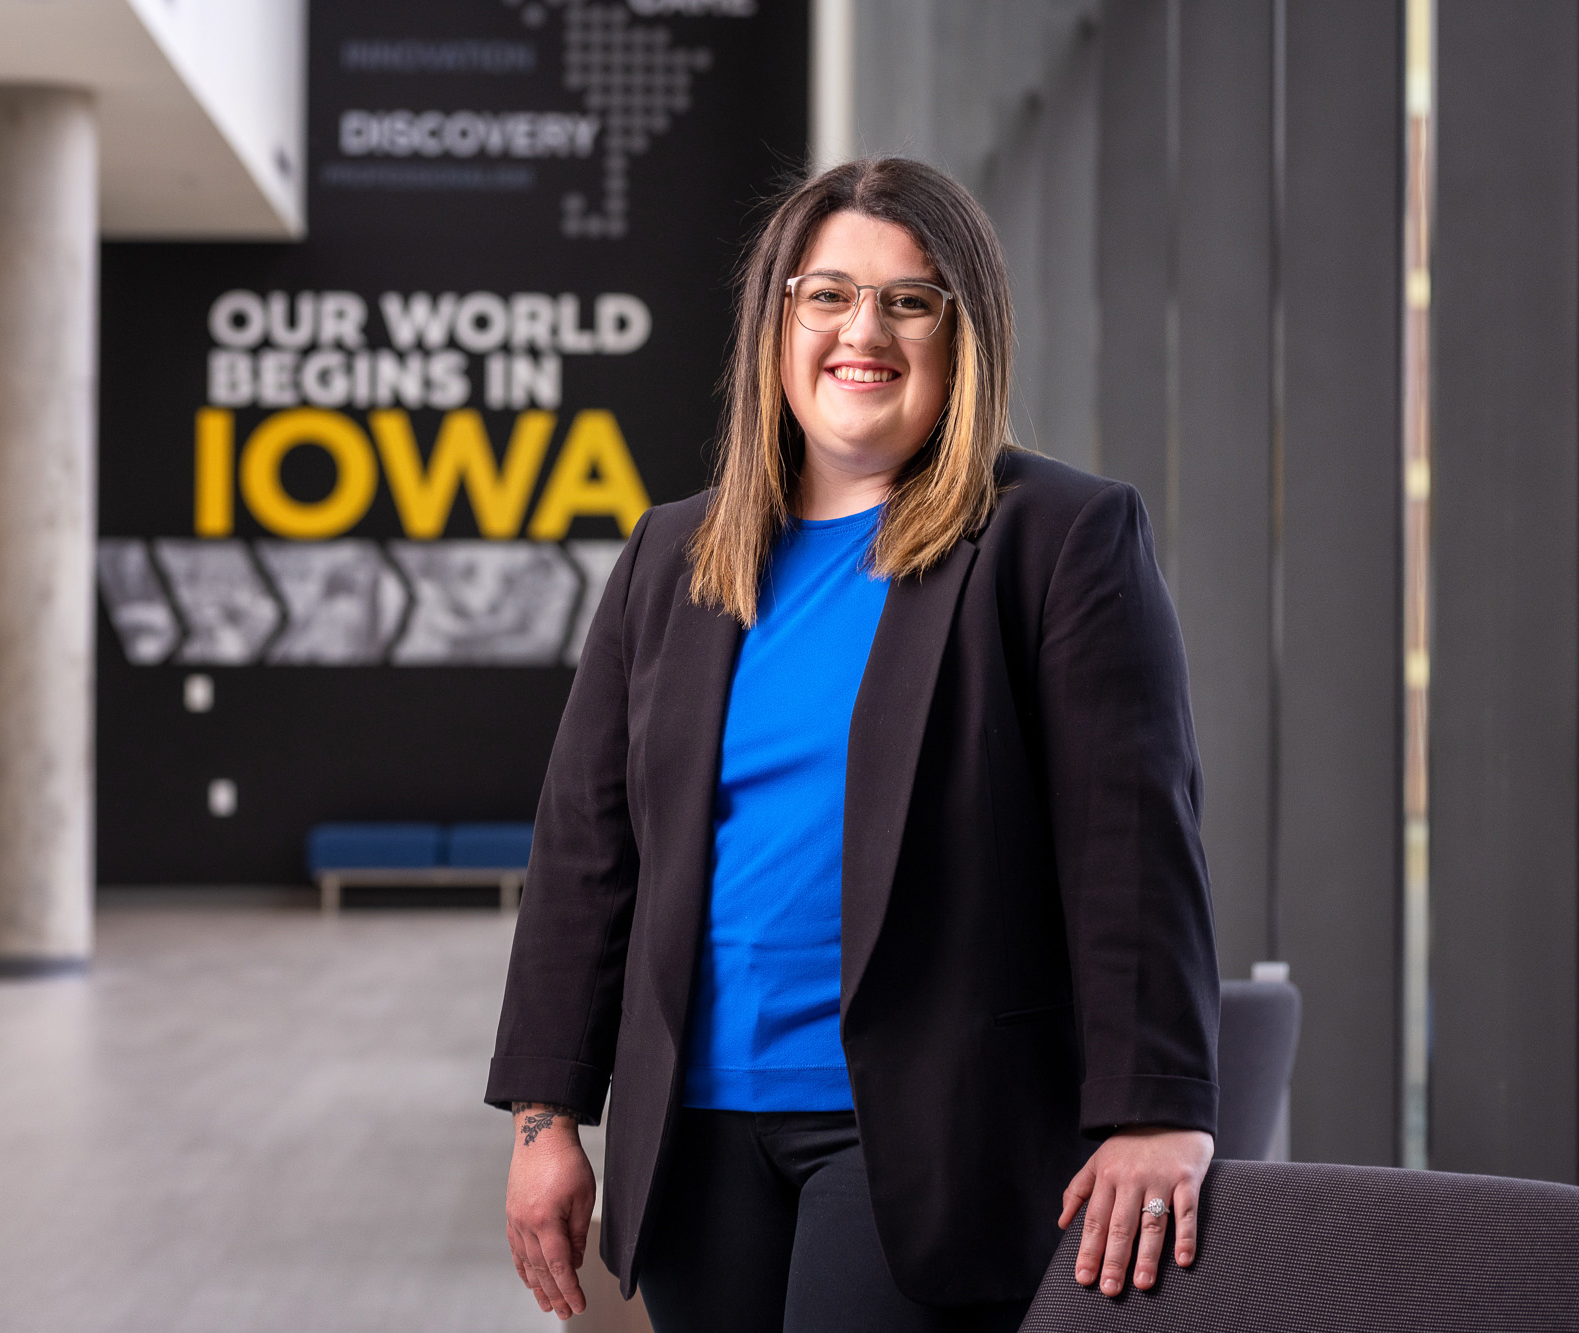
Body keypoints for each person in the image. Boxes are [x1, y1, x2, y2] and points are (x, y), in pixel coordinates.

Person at [488, 156, 1220, 1333]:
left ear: (959, 330)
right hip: (697, 1131)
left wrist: (1155, 1105)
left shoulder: (1057, 537)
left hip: (923, 1134)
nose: (859, 329)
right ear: (776, 322)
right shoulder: (672, 556)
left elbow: (1128, 843)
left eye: (908, 298)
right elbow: (586, 852)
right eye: (824, 294)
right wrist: (544, 1116)